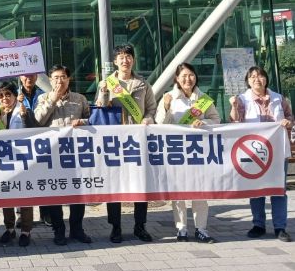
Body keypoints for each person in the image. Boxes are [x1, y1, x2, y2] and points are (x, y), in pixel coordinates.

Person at [95, 44, 157, 243]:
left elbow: (151, 108)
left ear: (133, 60)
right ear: (115, 61)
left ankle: (140, 226)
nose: (125, 60)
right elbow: (100, 107)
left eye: (128, 56)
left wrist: (148, 119)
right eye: (121, 57)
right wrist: (104, 92)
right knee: (115, 184)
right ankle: (116, 227)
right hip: (114, 142)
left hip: (137, 141)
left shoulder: (143, 84)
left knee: (141, 183)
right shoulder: (107, 83)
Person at [155, 63, 220, 243]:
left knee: (200, 190)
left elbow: (216, 119)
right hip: (176, 151)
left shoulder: (203, 98)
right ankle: (181, 229)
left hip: (198, 151)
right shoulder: (169, 97)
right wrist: (166, 107)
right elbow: (160, 124)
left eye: (191, 75)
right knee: (179, 192)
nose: (188, 79)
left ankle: (201, 229)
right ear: (177, 78)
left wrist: (204, 123)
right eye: (183, 76)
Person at [229, 66, 294, 242]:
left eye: (260, 76)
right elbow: (234, 121)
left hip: (277, 151)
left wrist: (288, 122)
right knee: (256, 188)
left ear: (266, 79)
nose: (257, 79)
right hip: (254, 151)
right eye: (252, 77)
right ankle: (258, 225)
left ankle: (280, 227)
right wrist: (234, 106)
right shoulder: (242, 100)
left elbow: (290, 117)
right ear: (248, 81)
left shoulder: (279, 98)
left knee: (278, 189)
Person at [34, 65, 92, 246]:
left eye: (63, 77)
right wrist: (52, 99)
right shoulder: (43, 98)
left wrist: (82, 122)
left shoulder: (80, 99)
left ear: (69, 79)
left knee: (78, 193)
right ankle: (58, 230)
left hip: (76, 154)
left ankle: (77, 229)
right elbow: (37, 121)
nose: (60, 81)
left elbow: (93, 120)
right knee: (55, 194)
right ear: (50, 80)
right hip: (53, 155)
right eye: (56, 78)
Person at [0, 81, 35, 246]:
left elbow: (33, 130)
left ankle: (26, 231)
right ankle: (9, 228)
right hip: (5, 161)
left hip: (23, 159)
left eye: (8, 94)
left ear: (14, 95)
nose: (4, 98)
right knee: (6, 195)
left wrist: (25, 116)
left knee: (24, 196)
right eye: (1, 95)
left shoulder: (24, 109)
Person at [19, 73, 50, 226]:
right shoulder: (14, 95)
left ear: (37, 77)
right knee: (22, 178)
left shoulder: (43, 94)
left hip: (41, 140)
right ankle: (21, 215)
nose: (28, 78)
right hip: (21, 142)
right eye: (25, 76)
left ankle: (46, 213)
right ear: (20, 77)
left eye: (32, 75)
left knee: (43, 176)